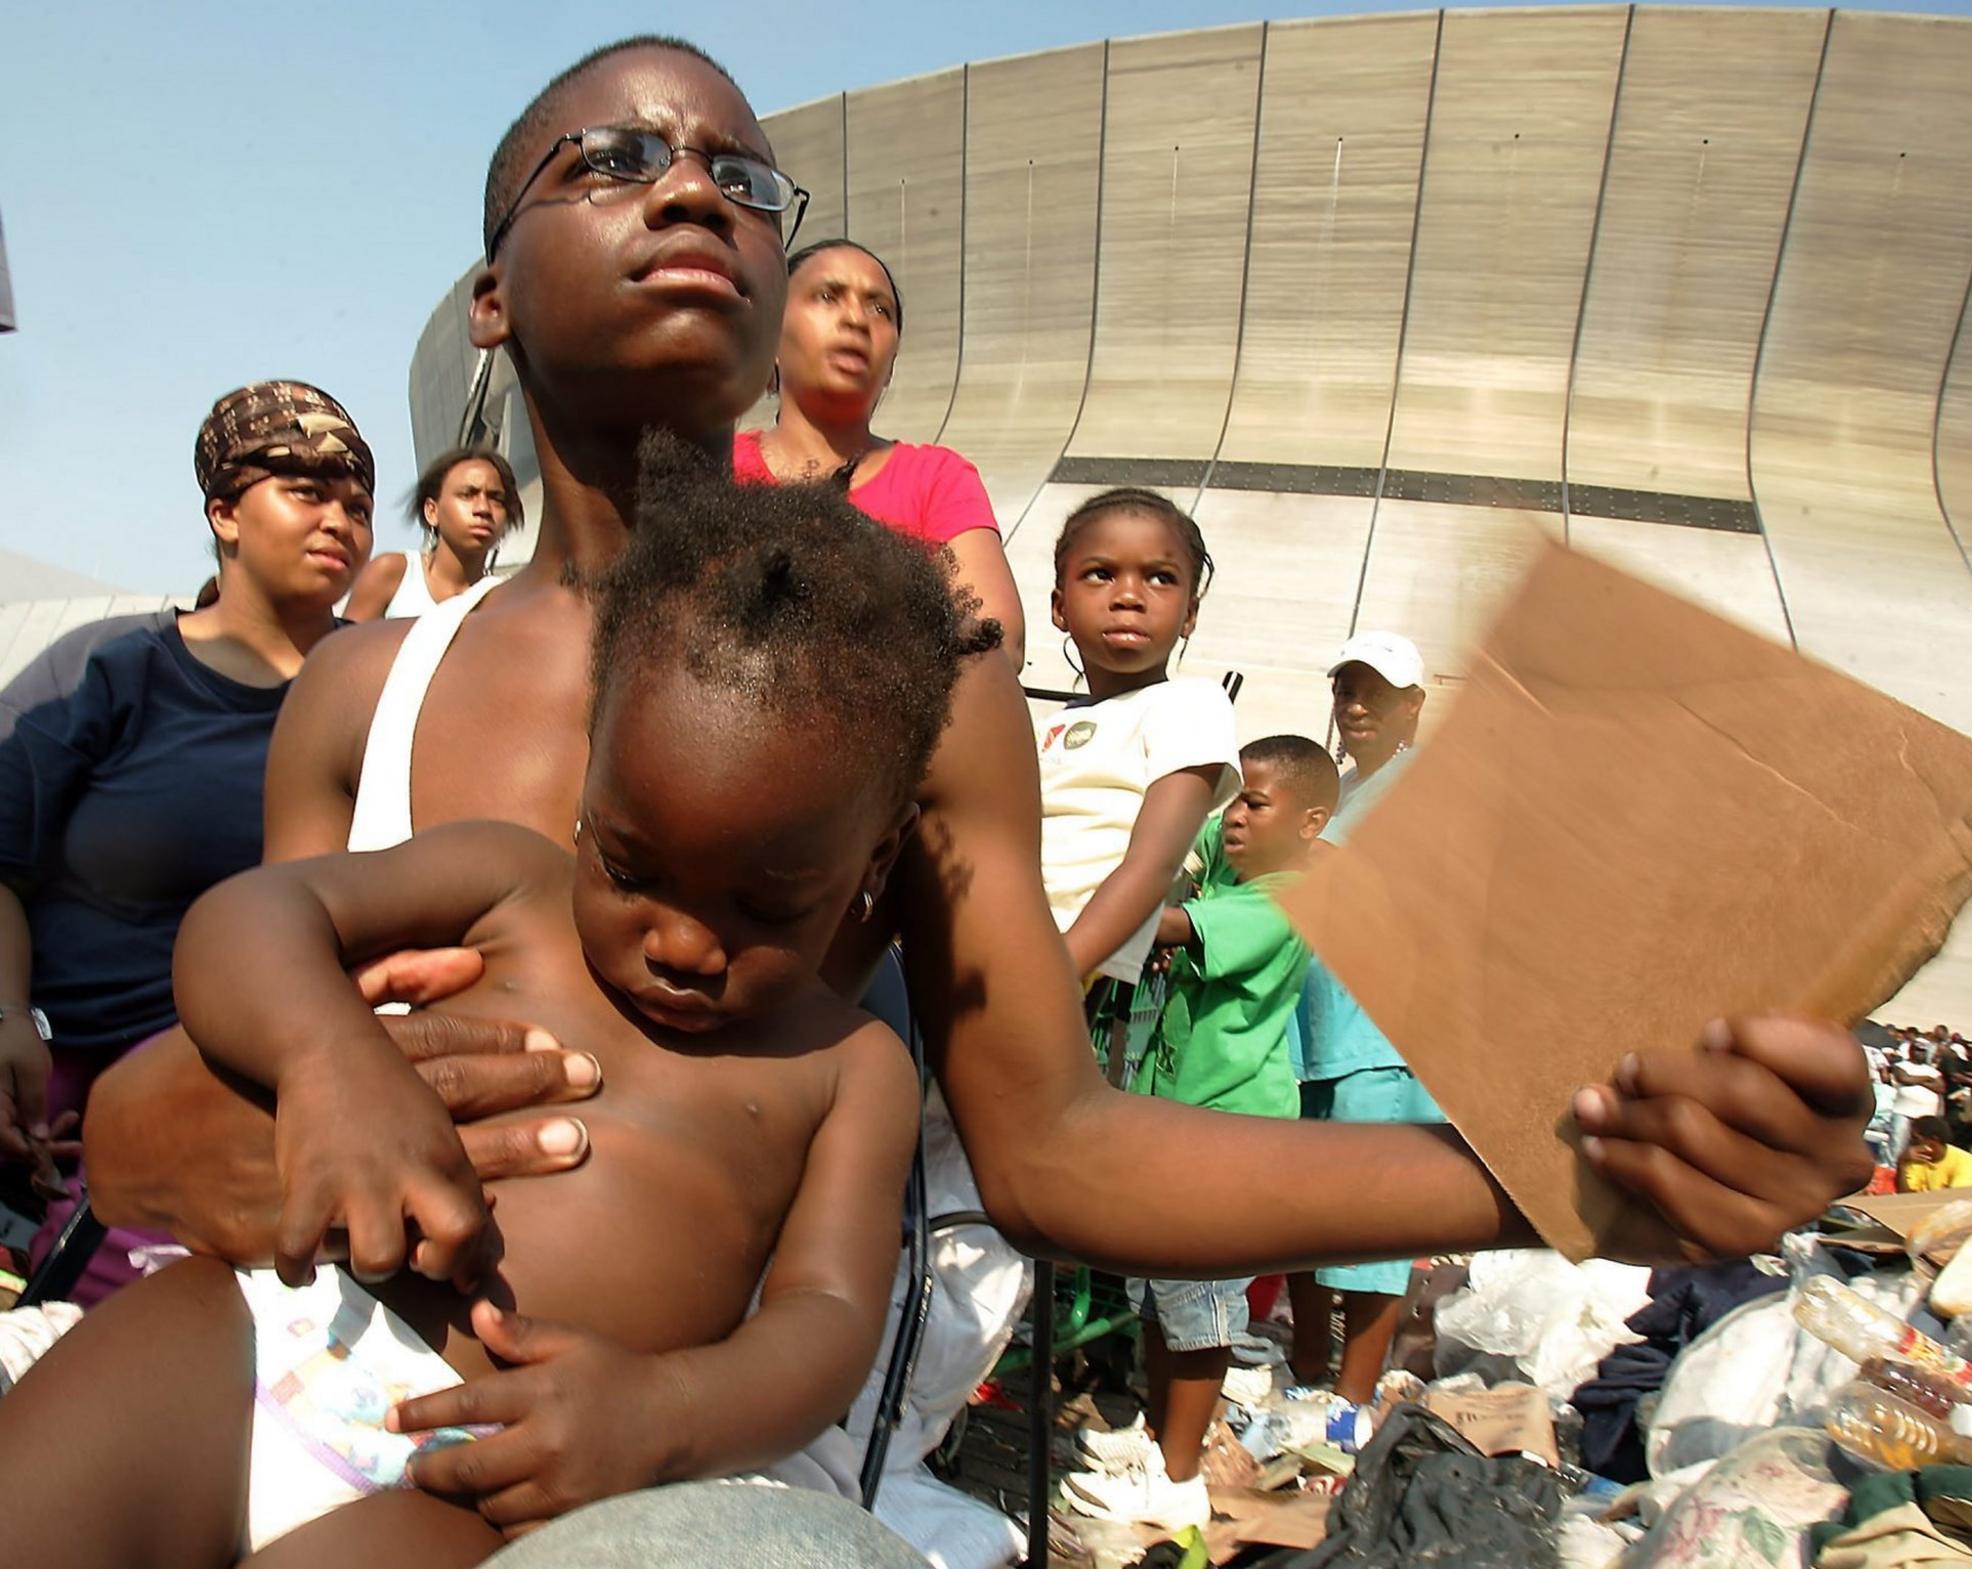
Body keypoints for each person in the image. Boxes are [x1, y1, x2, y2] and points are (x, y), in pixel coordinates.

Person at [79, 36, 1877, 1559]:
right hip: (280, 1363)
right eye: (612, 158)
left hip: (672, 1475)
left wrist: (1545, 1175)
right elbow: (214, 1082)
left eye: (742, 176)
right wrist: (206, 1108)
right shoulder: (363, 688)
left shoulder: (909, 699)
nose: (693, 186)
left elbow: (1059, 1142)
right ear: (488, 284)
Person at [0, 447, 995, 1563]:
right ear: (591, 779)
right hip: (252, 1327)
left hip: (487, 1473)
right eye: (629, 865)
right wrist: (329, 1058)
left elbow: (825, 1322)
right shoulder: (508, 883)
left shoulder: (849, 1067)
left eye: (767, 905)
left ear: (874, 856)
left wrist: (661, 1417)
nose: (680, 941)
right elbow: (255, 920)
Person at [1, 380, 373, 1303]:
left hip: (248, 1107)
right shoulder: (108, 667)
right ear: (223, 511)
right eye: (306, 490)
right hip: (44, 1086)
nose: (339, 521)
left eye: (358, 503)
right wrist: (6, 1023)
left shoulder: (393, 688)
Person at [1065, 736, 1336, 1531]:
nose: (1235, 816)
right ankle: (1156, 1438)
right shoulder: (1238, 858)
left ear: (1311, 822)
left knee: (1200, 1309)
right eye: (1236, 799)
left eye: (1256, 802)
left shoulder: (1285, 896)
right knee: (1156, 1294)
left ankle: (1179, 1476)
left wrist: (1089, 899)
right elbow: (1189, 834)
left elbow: (1171, 924)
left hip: (1226, 1136)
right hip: (1172, 1120)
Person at [734, 238, 1025, 666]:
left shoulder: (938, 478)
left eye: (879, 309)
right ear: (772, 336)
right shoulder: (716, 466)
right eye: (827, 296)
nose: (856, 319)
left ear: (891, 365)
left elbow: (996, 643)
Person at [1285, 633, 1443, 1402]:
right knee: (1310, 1218)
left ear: (1412, 706)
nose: (1355, 707)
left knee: (1366, 1224)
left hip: (1376, 1037)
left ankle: (1346, 1401)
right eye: (1346, 689)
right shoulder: (1345, 785)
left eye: (1374, 693)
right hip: (1320, 1032)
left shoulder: (1416, 782)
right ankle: (1307, 1375)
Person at [1037, 487, 1240, 996]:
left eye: (1160, 577)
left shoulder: (1192, 705)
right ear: (1060, 607)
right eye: (1101, 573)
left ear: (1190, 614)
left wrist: (1059, 971)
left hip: (1087, 978)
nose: (1129, 595)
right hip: (1003, 949)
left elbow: (1153, 863)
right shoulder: (1041, 729)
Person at [345, 447, 523, 621]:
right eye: (467, 495)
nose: (483, 509)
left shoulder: (507, 601)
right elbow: (345, 647)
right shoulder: (393, 574)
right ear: (432, 511)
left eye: (496, 498)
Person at [1889, 1045, 1945, 1164]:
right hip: (1903, 1111)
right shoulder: (1901, 1066)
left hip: (1925, 1114)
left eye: (1923, 1051)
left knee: (1921, 1144)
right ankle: (1891, 1167)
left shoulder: (1933, 1071)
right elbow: (1904, 1079)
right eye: (1918, 1050)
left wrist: (1916, 1081)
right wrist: (1927, 1079)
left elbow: (1940, 1087)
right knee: (1897, 1142)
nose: (1920, 1053)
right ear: (1911, 1050)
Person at [1898, 1117, 1972, 1193]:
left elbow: (1958, 1198)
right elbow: (1905, 1196)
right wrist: (1901, 1162)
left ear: (1933, 1140)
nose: (1911, 1143)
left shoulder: (1964, 1161)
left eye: (1915, 1139)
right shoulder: (1917, 1159)